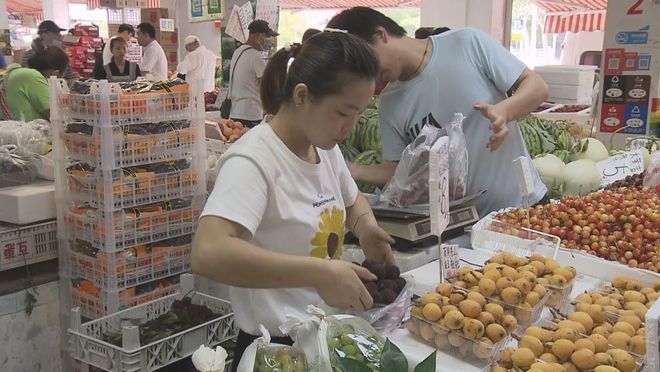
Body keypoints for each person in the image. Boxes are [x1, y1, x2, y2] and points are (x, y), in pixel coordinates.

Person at [192, 31, 395, 371]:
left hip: (323, 340)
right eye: (344, 112)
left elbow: (352, 198)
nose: (350, 126)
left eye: (359, 114)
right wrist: (320, 273)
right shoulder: (254, 161)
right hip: (274, 352)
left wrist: (366, 227)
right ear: (302, 95)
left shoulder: (323, 148)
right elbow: (207, 252)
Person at [327, 8, 550, 216]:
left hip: (524, 210)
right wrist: (352, 170)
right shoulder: (389, 103)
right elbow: (398, 171)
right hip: (462, 228)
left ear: (381, 35)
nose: (371, 78)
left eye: (368, 63)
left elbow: (537, 86)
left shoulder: (467, 43)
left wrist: (505, 111)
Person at [227, 20, 278, 128]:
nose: (268, 41)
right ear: (257, 36)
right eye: (266, 37)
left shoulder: (237, 52)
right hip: (251, 114)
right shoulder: (255, 56)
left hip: (235, 112)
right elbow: (265, 85)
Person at [0, 47, 69, 121]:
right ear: (56, 73)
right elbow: (53, 114)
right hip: (19, 130)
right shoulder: (33, 76)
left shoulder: (18, 72)